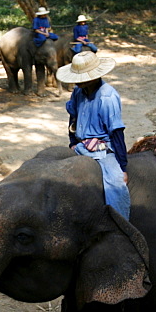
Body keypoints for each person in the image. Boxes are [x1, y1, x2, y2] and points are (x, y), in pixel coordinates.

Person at [58, 51, 130, 219]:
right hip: (81, 145)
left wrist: (123, 167)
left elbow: (116, 132)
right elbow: (73, 115)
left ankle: (119, 225)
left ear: (93, 76)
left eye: (81, 77)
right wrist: (71, 142)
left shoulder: (107, 96)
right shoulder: (78, 92)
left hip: (103, 149)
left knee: (116, 185)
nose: (77, 81)